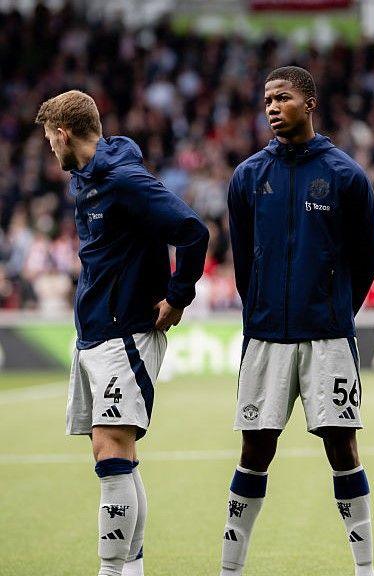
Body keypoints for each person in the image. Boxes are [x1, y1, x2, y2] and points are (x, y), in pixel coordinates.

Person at [36, 90, 209, 576]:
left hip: (126, 331)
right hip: (94, 332)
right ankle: (128, 570)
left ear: (65, 134)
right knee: (112, 452)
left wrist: (177, 296)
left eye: (51, 139)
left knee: (113, 447)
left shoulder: (126, 181)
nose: (50, 149)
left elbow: (193, 231)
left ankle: (111, 571)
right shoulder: (85, 180)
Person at [221, 66, 374, 576]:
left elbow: (365, 259)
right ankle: (231, 567)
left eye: (282, 97)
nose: (271, 106)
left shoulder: (346, 175)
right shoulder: (248, 176)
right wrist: (263, 310)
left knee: (342, 446)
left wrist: (332, 309)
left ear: (309, 103)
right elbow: (244, 261)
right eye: (266, 98)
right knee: (254, 448)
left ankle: (364, 567)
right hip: (265, 337)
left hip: (328, 338)